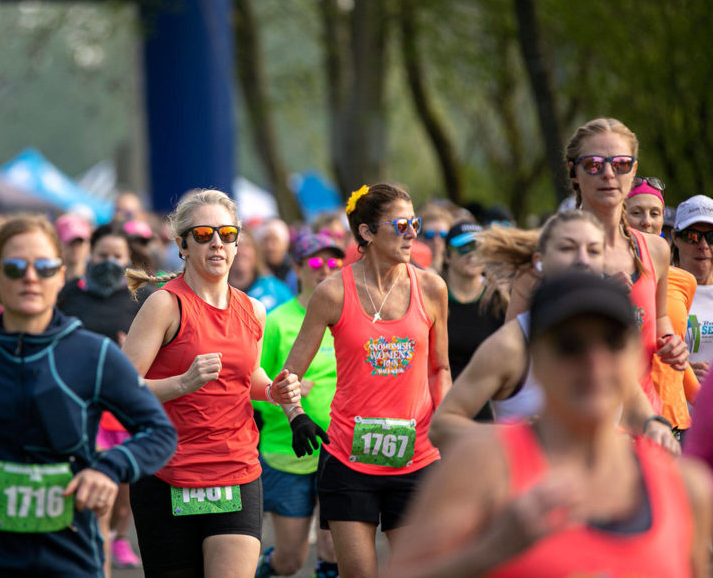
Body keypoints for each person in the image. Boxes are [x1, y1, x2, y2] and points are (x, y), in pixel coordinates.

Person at [0, 215, 176, 577]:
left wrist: (108, 469)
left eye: (44, 267)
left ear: (60, 276)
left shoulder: (94, 356)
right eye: (14, 267)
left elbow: (159, 432)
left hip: (69, 555)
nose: (30, 277)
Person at [388, 272, 712, 578]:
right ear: (535, 360)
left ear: (636, 356)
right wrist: (489, 551)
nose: (594, 362)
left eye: (613, 342)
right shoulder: (482, 467)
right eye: (570, 346)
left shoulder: (685, 490)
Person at [121, 189, 300, 577]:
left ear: (237, 243)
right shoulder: (165, 306)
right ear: (183, 246)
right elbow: (121, 388)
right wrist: (181, 384)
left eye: (227, 233)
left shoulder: (254, 309)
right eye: (203, 234)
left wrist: (272, 391)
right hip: (166, 472)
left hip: (235, 472)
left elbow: (247, 375)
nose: (217, 242)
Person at [284, 183, 451, 578]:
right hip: (348, 457)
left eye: (415, 223)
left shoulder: (431, 288)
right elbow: (289, 375)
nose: (412, 233)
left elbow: (439, 368)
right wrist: (295, 413)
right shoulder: (332, 292)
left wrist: (449, 424)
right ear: (367, 232)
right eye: (401, 224)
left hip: (417, 456)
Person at [430, 211, 680, 454]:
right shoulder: (512, 345)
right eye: (568, 248)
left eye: (593, 251)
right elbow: (441, 427)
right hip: (525, 492)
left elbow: (633, 399)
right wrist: (518, 437)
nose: (582, 259)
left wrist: (654, 426)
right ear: (540, 261)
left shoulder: (611, 338)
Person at [508, 119, 688, 413]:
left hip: (645, 421)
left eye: (620, 164)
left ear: (633, 170)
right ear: (574, 171)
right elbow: (513, 350)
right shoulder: (547, 252)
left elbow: (659, 318)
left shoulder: (655, 249)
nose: (608, 174)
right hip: (574, 427)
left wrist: (670, 342)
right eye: (593, 164)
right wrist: (588, 300)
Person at [57, 223, 154, 573]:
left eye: (117, 256)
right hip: (80, 403)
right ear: (89, 256)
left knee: (124, 485)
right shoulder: (69, 294)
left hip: (126, 403)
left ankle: (118, 536)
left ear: (128, 259)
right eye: (102, 256)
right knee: (93, 480)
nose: (109, 262)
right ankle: (93, 546)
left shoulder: (142, 297)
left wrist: (131, 351)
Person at [253, 234, 341, 578]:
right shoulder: (276, 321)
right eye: (316, 263)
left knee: (334, 549)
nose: (325, 270)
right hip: (288, 452)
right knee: (290, 561)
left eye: (333, 262)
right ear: (298, 268)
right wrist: (284, 394)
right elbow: (250, 388)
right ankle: (263, 568)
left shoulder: (346, 317)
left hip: (337, 448)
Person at [624, 180, 700, 438]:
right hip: (631, 417)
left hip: (677, 417)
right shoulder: (610, 271)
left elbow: (674, 347)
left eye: (654, 213)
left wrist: (703, 402)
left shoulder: (685, 281)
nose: (647, 221)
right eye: (637, 212)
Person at [441, 222, 504, 422]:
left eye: (480, 248)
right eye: (464, 248)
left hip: (486, 412)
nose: (473, 255)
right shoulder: (433, 297)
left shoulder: (499, 301)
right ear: (447, 255)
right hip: (440, 409)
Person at [672, 195, 713, 382]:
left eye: (711, 237)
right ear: (675, 238)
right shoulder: (661, 292)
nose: (703, 246)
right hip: (678, 410)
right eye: (693, 236)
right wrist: (682, 373)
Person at [228, 230, 294, 313]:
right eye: (235, 246)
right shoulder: (215, 292)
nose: (240, 251)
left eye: (246, 246)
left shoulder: (276, 290)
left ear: (256, 251)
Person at [56, 213, 92, 284]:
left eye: (80, 242)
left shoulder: (95, 281)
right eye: (70, 242)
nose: (75, 248)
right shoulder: (51, 281)